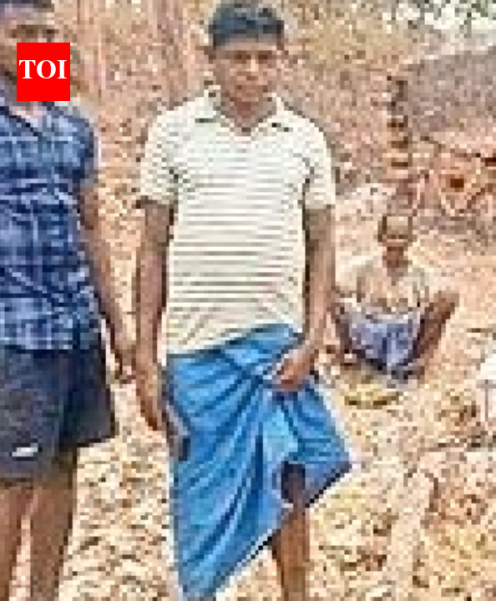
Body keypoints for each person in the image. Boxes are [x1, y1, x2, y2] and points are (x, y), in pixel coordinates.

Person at [134, 2, 351, 599]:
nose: (251, 72)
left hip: (278, 353)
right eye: (237, 59)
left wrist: (311, 342)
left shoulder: (304, 139)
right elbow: (151, 250)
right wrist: (145, 362)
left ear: (282, 61)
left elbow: (323, 245)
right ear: (212, 59)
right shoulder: (173, 133)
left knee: (291, 483)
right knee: (200, 495)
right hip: (198, 355)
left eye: (264, 59)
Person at [0, 1, 134, 599]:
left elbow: (92, 228)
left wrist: (118, 325)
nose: (35, 45)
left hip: (75, 325)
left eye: (47, 36)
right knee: (11, 479)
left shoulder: (69, 121)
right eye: (21, 34)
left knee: (62, 464)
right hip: (13, 331)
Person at [333, 211, 458, 385]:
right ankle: (353, 353)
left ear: (411, 240)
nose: (397, 243)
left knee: (449, 297)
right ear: (380, 238)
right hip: (369, 330)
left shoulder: (420, 273)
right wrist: (354, 311)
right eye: (392, 237)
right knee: (333, 299)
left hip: (406, 334)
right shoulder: (364, 267)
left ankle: (418, 363)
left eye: (402, 237)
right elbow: (336, 287)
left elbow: (438, 299)